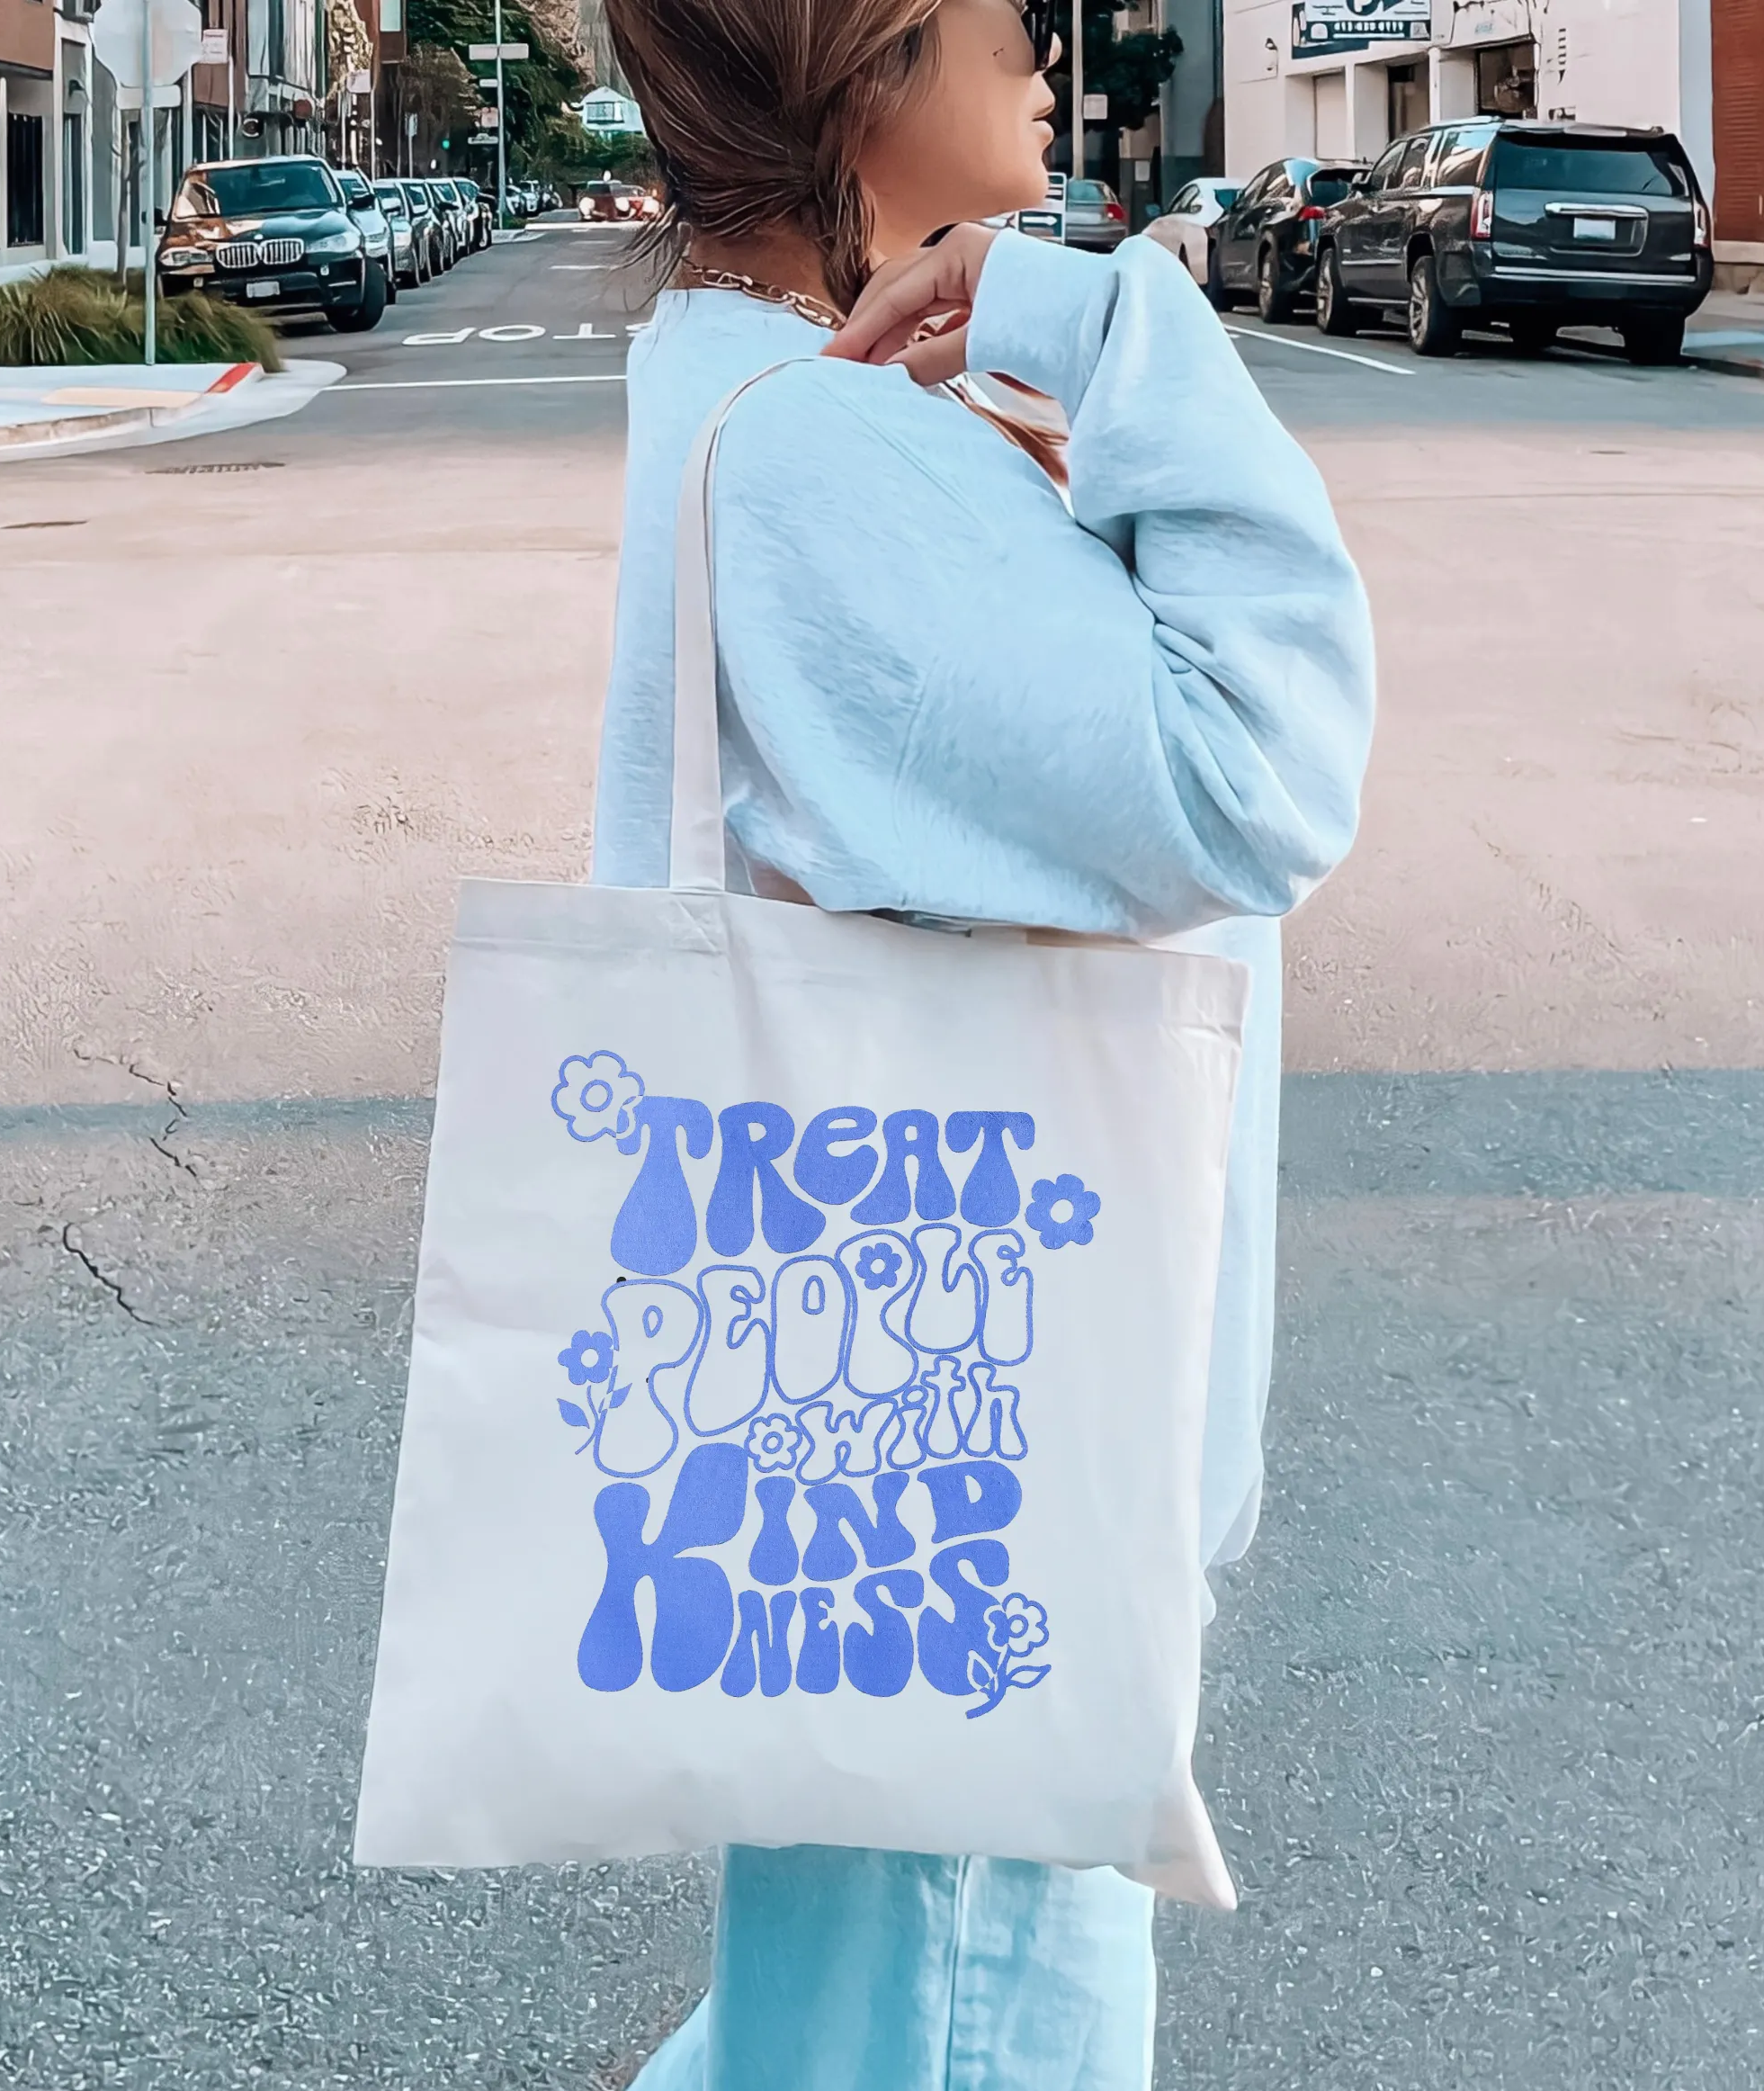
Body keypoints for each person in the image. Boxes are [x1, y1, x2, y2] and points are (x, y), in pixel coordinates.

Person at [593, 0, 1375, 2079]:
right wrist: (1119, 332)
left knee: (832, 2023)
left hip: (909, 1498)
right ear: (849, 58)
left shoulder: (786, 412)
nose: (1041, 36)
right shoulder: (823, 449)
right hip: (978, 1538)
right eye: (981, 6)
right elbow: (1255, 777)